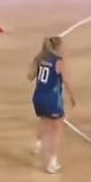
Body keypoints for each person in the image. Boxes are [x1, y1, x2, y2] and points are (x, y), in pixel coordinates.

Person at [28, 36, 75, 174]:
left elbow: (30, 76)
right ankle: (52, 163)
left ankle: (37, 145)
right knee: (57, 129)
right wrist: (72, 98)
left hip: (38, 97)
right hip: (52, 99)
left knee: (43, 119)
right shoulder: (59, 62)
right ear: (58, 48)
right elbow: (66, 82)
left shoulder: (39, 58)